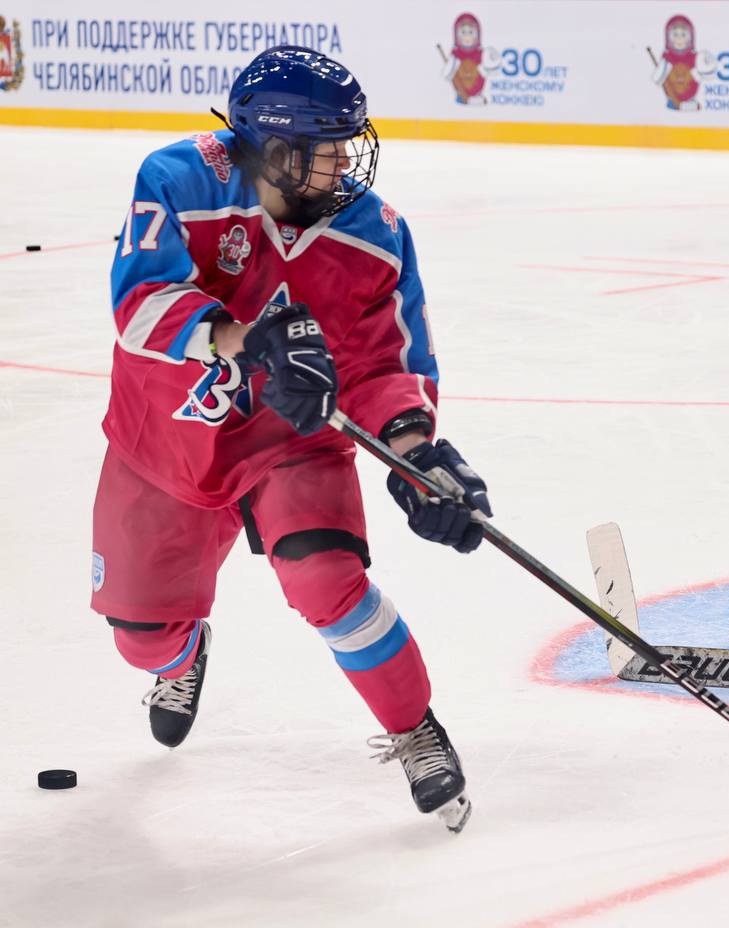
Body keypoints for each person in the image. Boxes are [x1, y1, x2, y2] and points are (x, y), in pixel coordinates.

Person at [93, 45, 488, 831]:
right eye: (329, 147)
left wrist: (418, 455)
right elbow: (138, 302)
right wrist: (238, 336)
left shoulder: (375, 233)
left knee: (327, 582)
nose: (347, 162)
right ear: (274, 149)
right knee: (142, 636)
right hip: (166, 441)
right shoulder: (178, 181)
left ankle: (415, 729)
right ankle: (180, 658)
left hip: (291, 439)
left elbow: (386, 366)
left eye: (349, 143)